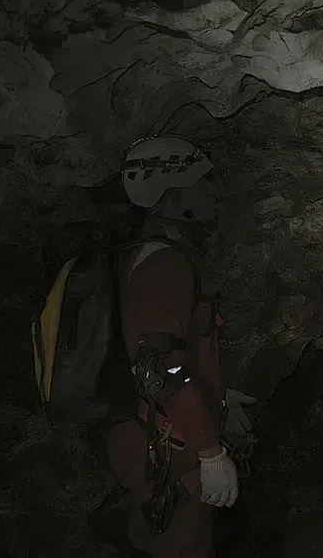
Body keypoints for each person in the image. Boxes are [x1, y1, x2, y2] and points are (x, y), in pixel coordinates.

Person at [107, 134, 255, 558]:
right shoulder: (163, 264)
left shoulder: (156, 252)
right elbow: (157, 369)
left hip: (164, 433)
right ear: (175, 198)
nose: (212, 191)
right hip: (170, 449)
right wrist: (210, 452)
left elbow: (179, 350)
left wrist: (218, 395)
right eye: (202, 183)